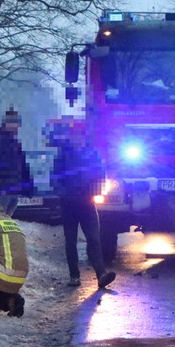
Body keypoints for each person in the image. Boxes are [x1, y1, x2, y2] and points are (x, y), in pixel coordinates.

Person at [50, 120, 116, 290]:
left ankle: (101, 274)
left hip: (88, 203)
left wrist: (98, 190)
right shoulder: (63, 155)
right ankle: (74, 275)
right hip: (69, 204)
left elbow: (101, 174)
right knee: (70, 241)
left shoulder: (92, 154)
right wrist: (63, 193)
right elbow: (55, 178)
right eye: (74, 135)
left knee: (94, 239)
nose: (77, 138)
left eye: (79, 135)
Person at [0, 111, 34, 215]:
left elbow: (23, 166)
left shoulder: (15, 143)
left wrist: (28, 186)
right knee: (0, 218)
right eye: (12, 122)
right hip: (3, 190)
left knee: (7, 218)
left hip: (14, 190)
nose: (15, 126)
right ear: (5, 123)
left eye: (16, 123)